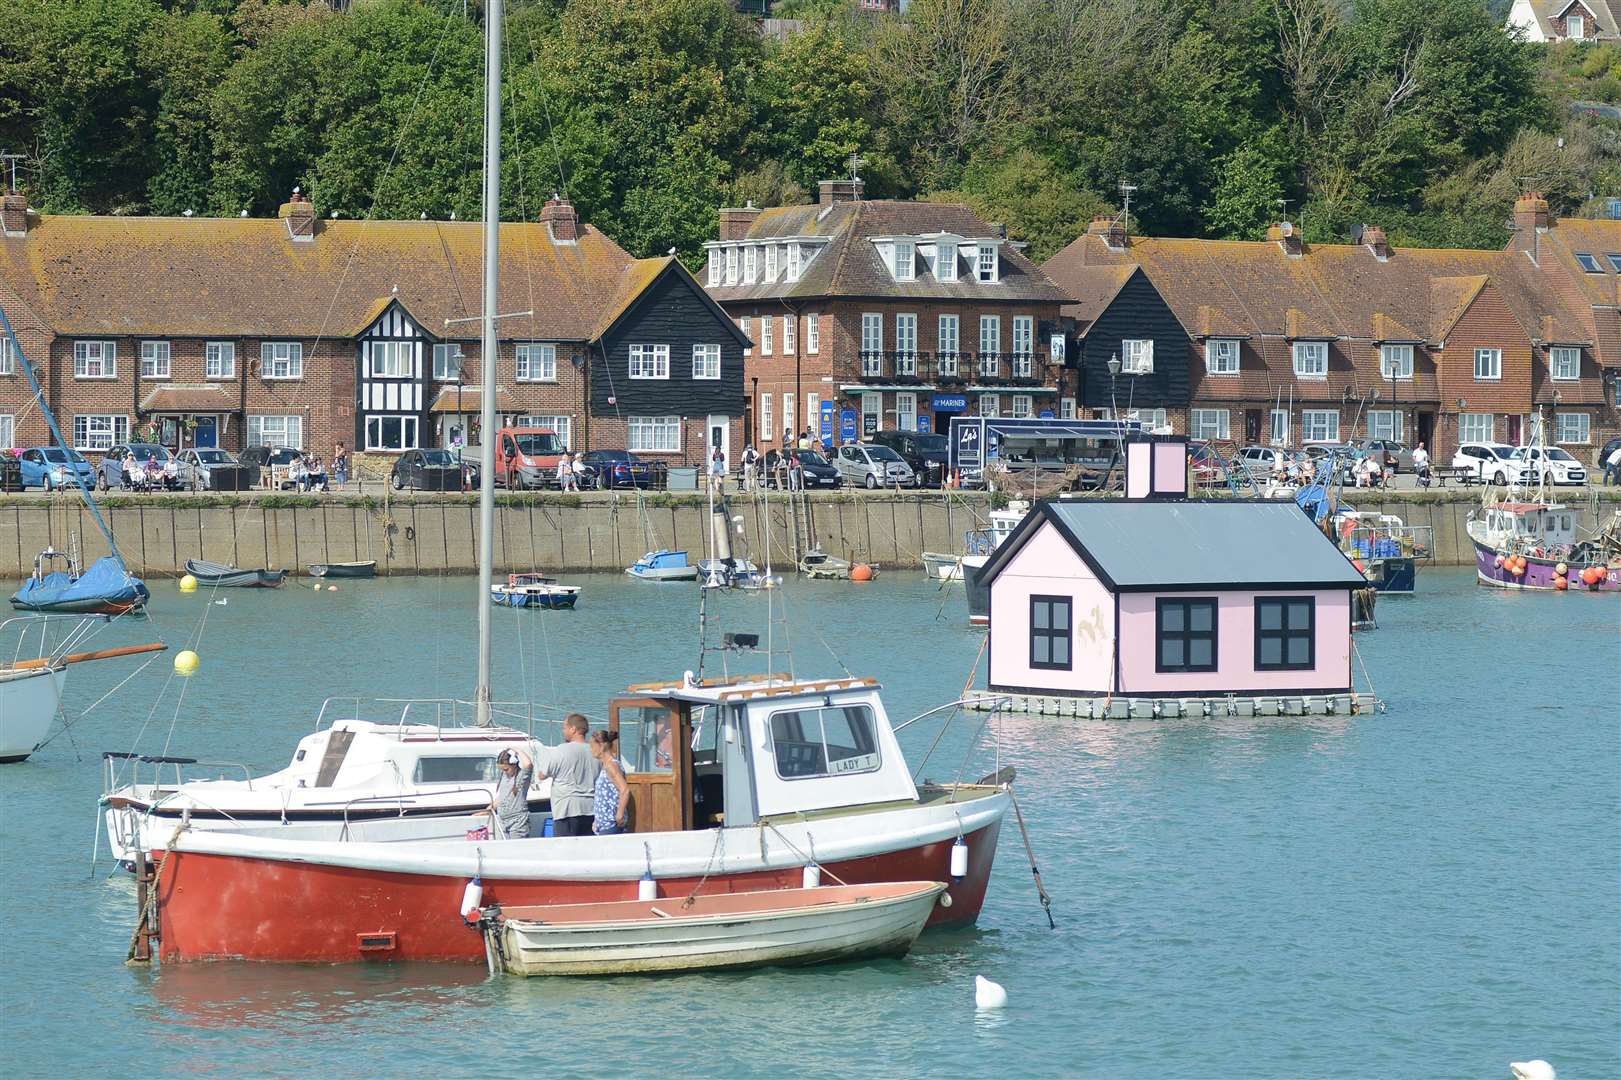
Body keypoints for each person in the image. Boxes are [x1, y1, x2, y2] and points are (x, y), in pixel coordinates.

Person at [534, 713, 599, 837]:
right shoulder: (595, 751)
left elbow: (543, 774)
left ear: (573, 729)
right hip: (591, 808)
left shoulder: (562, 750)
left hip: (566, 809)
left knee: (566, 850)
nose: (563, 731)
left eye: (565, 728)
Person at [589, 730, 630, 835]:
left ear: (601, 746)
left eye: (592, 746)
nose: (591, 750)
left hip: (611, 824)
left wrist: (619, 814)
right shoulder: (606, 766)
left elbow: (624, 790)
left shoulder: (612, 766)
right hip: (604, 824)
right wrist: (597, 820)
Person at [488, 747, 534, 839]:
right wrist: (488, 809)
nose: (504, 772)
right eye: (502, 770)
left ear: (514, 765)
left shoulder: (521, 776)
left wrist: (517, 750)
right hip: (502, 821)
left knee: (517, 849)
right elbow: (502, 797)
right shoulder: (505, 776)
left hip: (517, 822)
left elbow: (528, 764)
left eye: (506, 769)